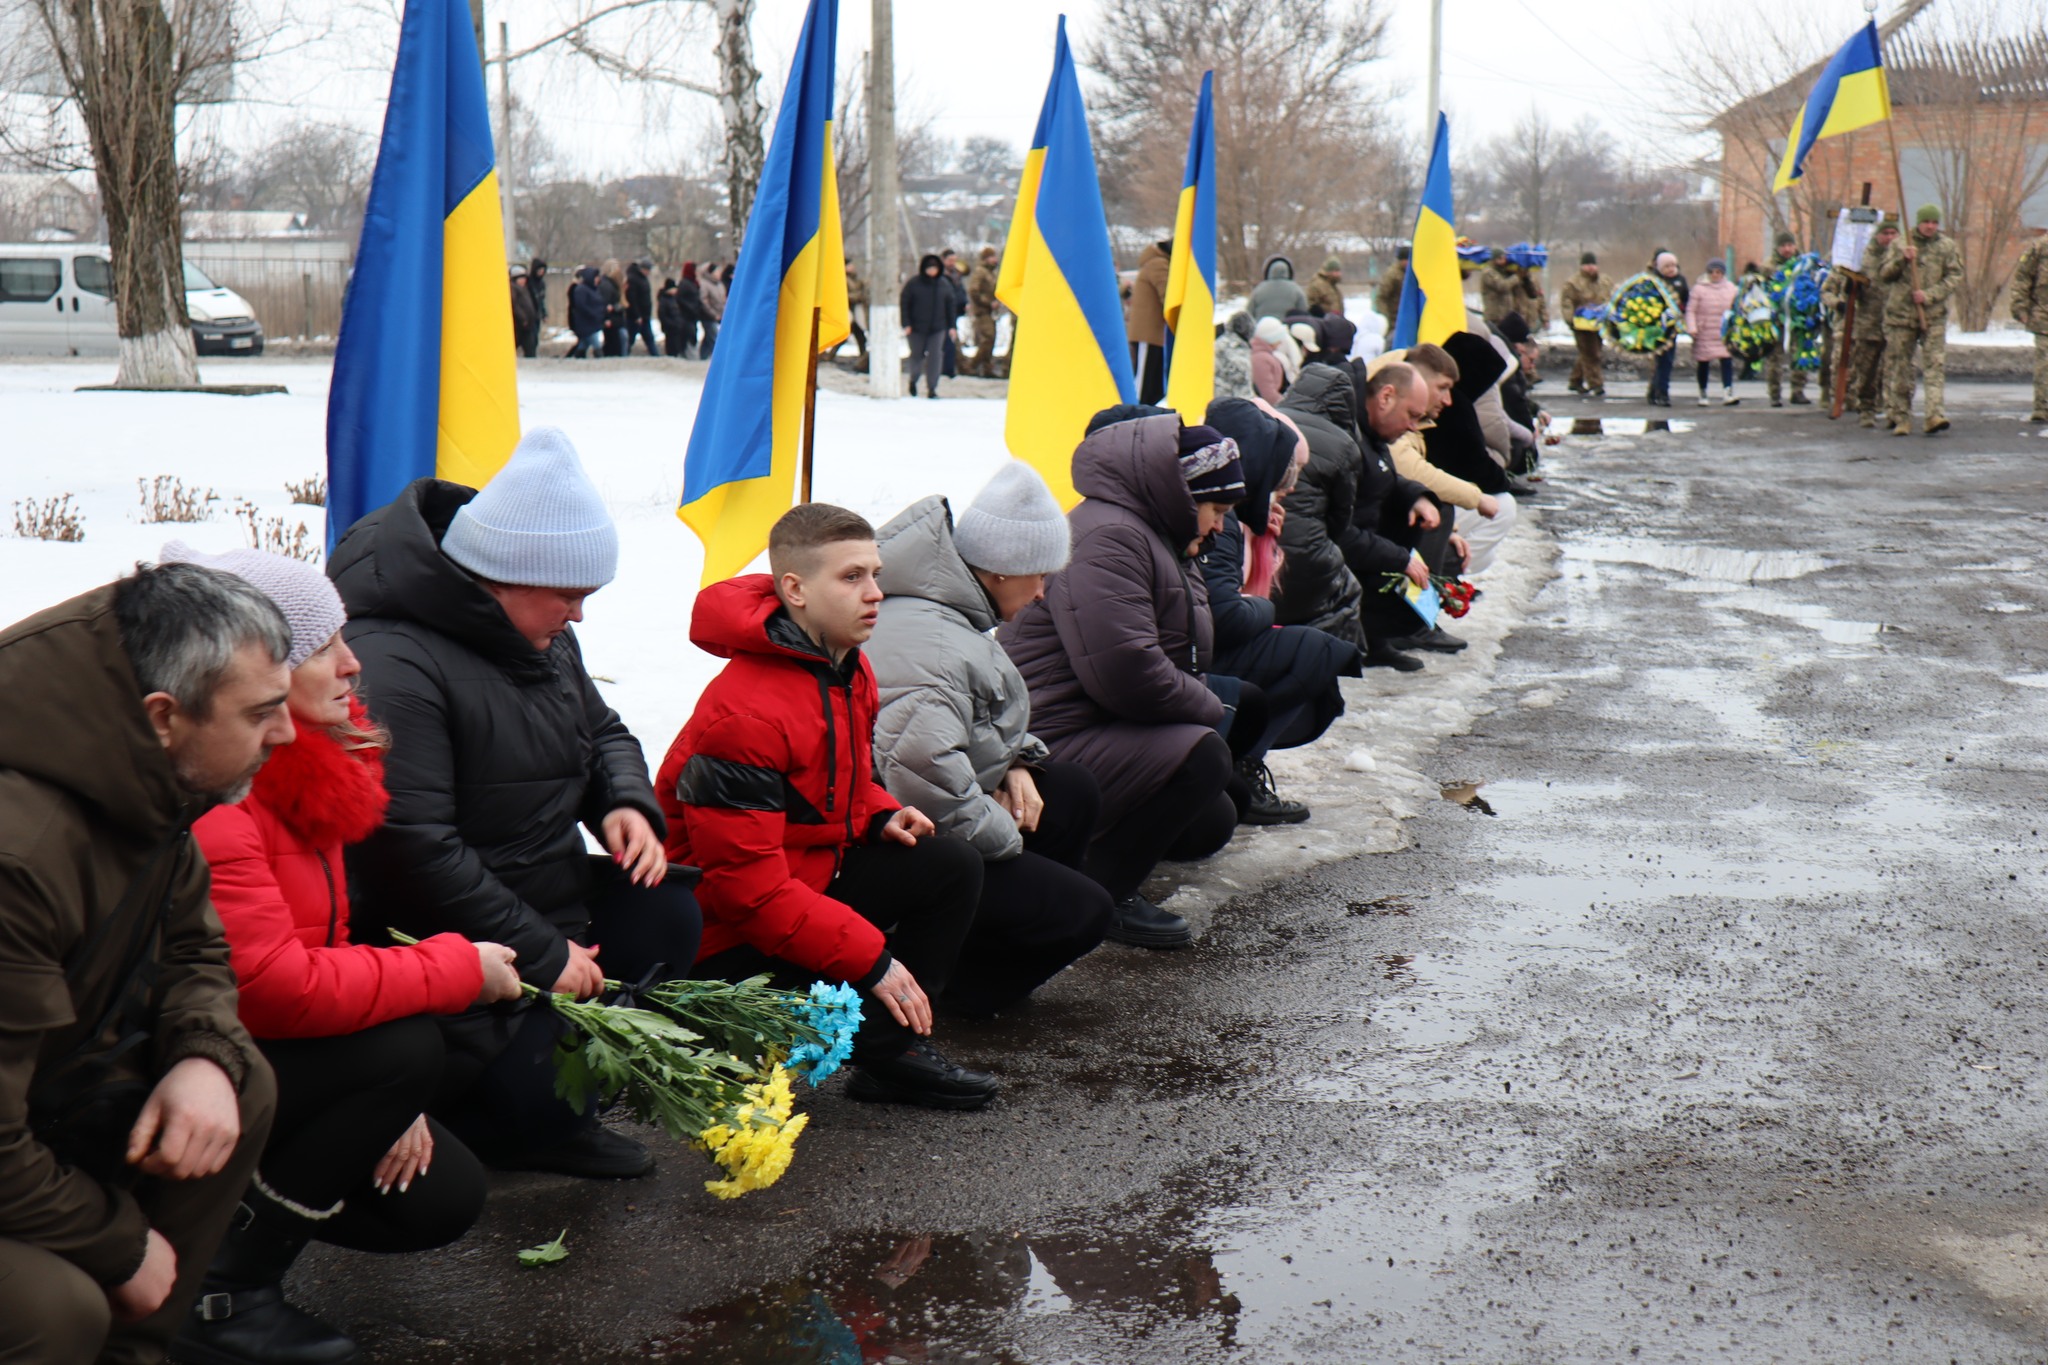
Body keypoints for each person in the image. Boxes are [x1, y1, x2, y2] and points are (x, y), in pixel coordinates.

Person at [170, 546, 518, 1365]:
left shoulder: (305, 772)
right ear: (255, 668)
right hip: (178, 1065)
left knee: (439, 1196)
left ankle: (196, 1233)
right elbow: (271, 988)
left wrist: (388, 1099)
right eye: (322, 644)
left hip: (245, 1057)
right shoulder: (224, 799)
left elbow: (322, 945)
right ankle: (218, 1294)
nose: (352, 662)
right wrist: (454, 972)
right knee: (406, 1045)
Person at [332, 427, 701, 1181]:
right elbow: (409, 844)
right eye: (570, 597)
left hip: (542, 897)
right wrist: (542, 952)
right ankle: (482, 1106)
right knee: (537, 1096)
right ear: (500, 575)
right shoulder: (396, 660)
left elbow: (601, 729)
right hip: (445, 940)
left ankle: (546, 1101)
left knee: (669, 914)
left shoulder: (536, 630)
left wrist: (622, 800)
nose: (579, 617)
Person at [0, 562, 281, 1365]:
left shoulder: (148, 777)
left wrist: (201, 1051)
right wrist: (119, 1242)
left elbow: (194, 943)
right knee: (53, 1311)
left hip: (37, 1103)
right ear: (165, 715)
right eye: (261, 711)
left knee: (238, 1083)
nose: (287, 730)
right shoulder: (20, 849)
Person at [660, 504, 996, 1111]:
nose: (875, 593)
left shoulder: (845, 665)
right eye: (851, 578)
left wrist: (878, 813)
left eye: (875, 572)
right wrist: (873, 962)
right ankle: (879, 1041)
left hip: (809, 880)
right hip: (722, 932)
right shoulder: (746, 715)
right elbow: (746, 892)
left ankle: (891, 1054)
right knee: (873, 977)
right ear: (795, 589)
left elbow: (841, 782)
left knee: (950, 865)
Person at [868, 466, 1114, 1015]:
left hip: (926, 816)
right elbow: (924, 777)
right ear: (1001, 571)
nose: (1043, 591)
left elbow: (965, 722)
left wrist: (1014, 762)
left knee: (1068, 790)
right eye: (1039, 574)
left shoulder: (946, 612)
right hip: (893, 840)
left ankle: (974, 953)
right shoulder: (935, 644)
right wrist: (1009, 835)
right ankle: (951, 998)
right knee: (1086, 911)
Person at [997, 410, 1243, 950]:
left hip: (1091, 722)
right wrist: (1206, 707)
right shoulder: (1110, 536)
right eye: (1216, 509)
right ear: (1181, 493)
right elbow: (1126, 670)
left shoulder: (1152, 531)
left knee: (1212, 818)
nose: (1220, 526)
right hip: (1046, 741)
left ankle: (1092, 847)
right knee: (1203, 755)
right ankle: (1101, 890)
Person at [1200, 397, 1362, 821]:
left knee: (1311, 652)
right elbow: (1229, 615)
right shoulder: (1227, 521)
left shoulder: (1240, 521)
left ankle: (1239, 762)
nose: (1288, 490)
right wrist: (1263, 609)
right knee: (1316, 651)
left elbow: (1239, 601)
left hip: (1201, 654)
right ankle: (1238, 761)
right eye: (1281, 476)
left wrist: (1263, 548)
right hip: (1193, 662)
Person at [1392, 343, 1516, 577]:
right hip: (1372, 542)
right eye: (1443, 388)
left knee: (1455, 533)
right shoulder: (1456, 408)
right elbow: (1412, 471)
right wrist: (1477, 498)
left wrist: (1449, 532)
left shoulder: (1429, 408)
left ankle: (1437, 582)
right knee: (1499, 508)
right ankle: (1437, 584)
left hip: (1384, 530)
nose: (1448, 400)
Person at [1876, 204, 1965, 436]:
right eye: (1927, 222)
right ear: (1918, 222)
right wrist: (1902, 260)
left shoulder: (1946, 246)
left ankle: (1934, 414)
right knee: (1900, 368)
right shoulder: (1900, 244)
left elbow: (1955, 276)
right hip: (1901, 317)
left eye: (1935, 222)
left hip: (1933, 315)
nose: (1931, 226)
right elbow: (1884, 275)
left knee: (1935, 366)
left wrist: (1930, 295)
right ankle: (1901, 416)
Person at [1843, 217, 1898, 427]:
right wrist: (1851, 285)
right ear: (1877, 236)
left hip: (1895, 321)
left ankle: (1894, 410)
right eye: (1886, 234)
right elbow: (1850, 292)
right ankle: (1866, 408)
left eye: (1894, 234)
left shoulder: (1901, 257)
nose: (1890, 238)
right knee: (1866, 370)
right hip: (1869, 322)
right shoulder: (1863, 258)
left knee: (1895, 369)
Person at [1686, 258, 1739, 406]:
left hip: (1724, 331)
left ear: (1723, 273)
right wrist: (1692, 327)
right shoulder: (1698, 289)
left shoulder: (1731, 288)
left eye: (1718, 272)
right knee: (1703, 362)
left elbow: (1737, 308)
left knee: (1727, 361)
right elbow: (1691, 310)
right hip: (1704, 332)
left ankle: (1727, 391)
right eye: (1712, 272)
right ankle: (1703, 392)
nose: (1715, 275)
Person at [2009, 225, 2048, 425]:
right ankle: (2042, 407)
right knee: (2044, 365)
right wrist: (2020, 309)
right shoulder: (2039, 248)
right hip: (2043, 316)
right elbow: (2023, 278)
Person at [901, 255, 955, 400]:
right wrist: (906, 324)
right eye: (930, 268)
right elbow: (904, 304)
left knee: (935, 356)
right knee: (916, 356)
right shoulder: (913, 284)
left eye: (935, 269)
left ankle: (932, 388)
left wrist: (952, 326)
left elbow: (950, 306)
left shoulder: (944, 285)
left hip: (937, 328)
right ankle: (913, 380)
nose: (932, 271)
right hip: (916, 328)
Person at [1558, 251, 1610, 398]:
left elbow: (1609, 299)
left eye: (1593, 264)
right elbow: (1567, 303)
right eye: (1587, 265)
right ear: (1582, 266)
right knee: (1591, 354)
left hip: (1598, 324)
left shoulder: (1604, 281)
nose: (1591, 268)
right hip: (1581, 324)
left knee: (1589, 352)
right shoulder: (1573, 283)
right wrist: (1571, 321)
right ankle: (1596, 384)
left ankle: (1575, 380)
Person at [1126, 238, 1172, 405]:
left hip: (1153, 335)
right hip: (1147, 335)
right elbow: (1168, 295)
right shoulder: (1158, 264)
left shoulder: (1155, 262)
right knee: (1143, 385)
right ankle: (1134, 416)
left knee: (1154, 388)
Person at [1644, 252, 1690, 407]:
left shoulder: (1680, 280)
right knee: (1659, 360)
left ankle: (1662, 392)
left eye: (1673, 265)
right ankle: (1656, 391)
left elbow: (1686, 299)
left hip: (1672, 327)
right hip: (1656, 327)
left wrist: (1682, 311)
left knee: (1667, 360)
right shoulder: (1654, 281)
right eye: (1667, 266)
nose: (1671, 269)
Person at [962, 246, 1001, 378]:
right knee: (988, 338)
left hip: (990, 311)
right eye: (992, 257)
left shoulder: (991, 273)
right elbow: (974, 291)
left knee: (991, 339)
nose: (995, 259)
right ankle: (971, 365)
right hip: (982, 310)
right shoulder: (980, 272)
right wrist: (988, 302)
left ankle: (987, 368)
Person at [1250, 316, 1297, 403]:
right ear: (1271, 338)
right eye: (1278, 338)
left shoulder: (1263, 354)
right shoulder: (1261, 359)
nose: (1280, 342)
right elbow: (1268, 394)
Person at [1250, 255, 1309, 321]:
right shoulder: (1297, 290)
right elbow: (1304, 314)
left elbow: (1249, 314)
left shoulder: (1258, 290)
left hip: (1262, 329)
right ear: (1288, 271)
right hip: (1287, 329)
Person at [939, 249, 969, 379]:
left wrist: (965, 303)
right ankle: (945, 369)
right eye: (950, 260)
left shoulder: (956, 274)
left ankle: (951, 368)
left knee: (952, 340)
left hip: (955, 311)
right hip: (942, 313)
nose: (953, 263)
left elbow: (960, 290)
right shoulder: (940, 275)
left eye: (954, 260)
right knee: (945, 341)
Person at [565, 266, 605, 359]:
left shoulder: (593, 289)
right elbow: (581, 306)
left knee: (583, 344)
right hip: (586, 324)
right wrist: (594, 314)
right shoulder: (581, 290)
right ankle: (600, 359)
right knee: (596, 344)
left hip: (592, 323)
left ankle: (576, 357)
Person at [1215, 311, 1256, 400]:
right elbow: (1242, 384)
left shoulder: (1219, 342)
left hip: (1215, 399)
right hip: (1229, 402)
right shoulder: (1237, 348)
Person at [624, 260, 659, 357]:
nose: (648, 272)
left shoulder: (643, 279)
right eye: (647, 270)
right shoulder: (633, 279)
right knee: (630, 339)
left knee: (649, 339)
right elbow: (632, 299)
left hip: (645, 316)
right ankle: (623, 356)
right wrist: (637, 315)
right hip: (635, 317)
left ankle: (656, 357)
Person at [1374, 247, 1409, 332]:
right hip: (1394, 321)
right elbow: (1381, 297)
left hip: (1406, 319)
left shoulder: (1409, 273)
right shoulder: (1392, 275)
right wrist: (1386, 319)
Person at [597, 259, 627, 357]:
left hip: (614, 319)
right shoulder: (607, 285)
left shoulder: (611, 284)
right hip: (612, 320)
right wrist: (607, 318)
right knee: (614, 343)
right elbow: (605, 304)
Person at [842, 260, 870, 363]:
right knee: (850, 335)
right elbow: (844, 295)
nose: (852, 267)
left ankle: (863, 358)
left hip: (855, 310)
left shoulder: (854, 278)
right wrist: (858, 296)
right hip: (848, 311)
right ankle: (863, 358)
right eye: (849, 265)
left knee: (859, 336)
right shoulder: (842, 278)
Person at [698, 261, 725, 361]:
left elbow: (723, 299)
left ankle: (702, 357)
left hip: (719, 315)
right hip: (708, 316)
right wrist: (713, 314)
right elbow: (704, 301)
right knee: (715, 338)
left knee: (708, 338)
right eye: (717, 272)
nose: (719, 274)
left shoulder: (719, 284)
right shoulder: (704, 284)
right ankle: (718, 360)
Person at [510, 265, 539, 359]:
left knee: (531, 348)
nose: (523, 281)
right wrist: (523, 318)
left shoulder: (524, 289)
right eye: (520, 279)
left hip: (527, 324)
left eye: (524, 278)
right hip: (520, 325)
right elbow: (514, 305)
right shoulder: (513, 289)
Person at [526, 259, 548, 343]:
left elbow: (541, 300)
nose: (541, 272)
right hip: (529, 314)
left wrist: (544, 314)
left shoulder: (541, 283)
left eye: (543, 270)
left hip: (537, 314)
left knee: (535, 338)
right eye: (540, 270)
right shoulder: (529, 282)